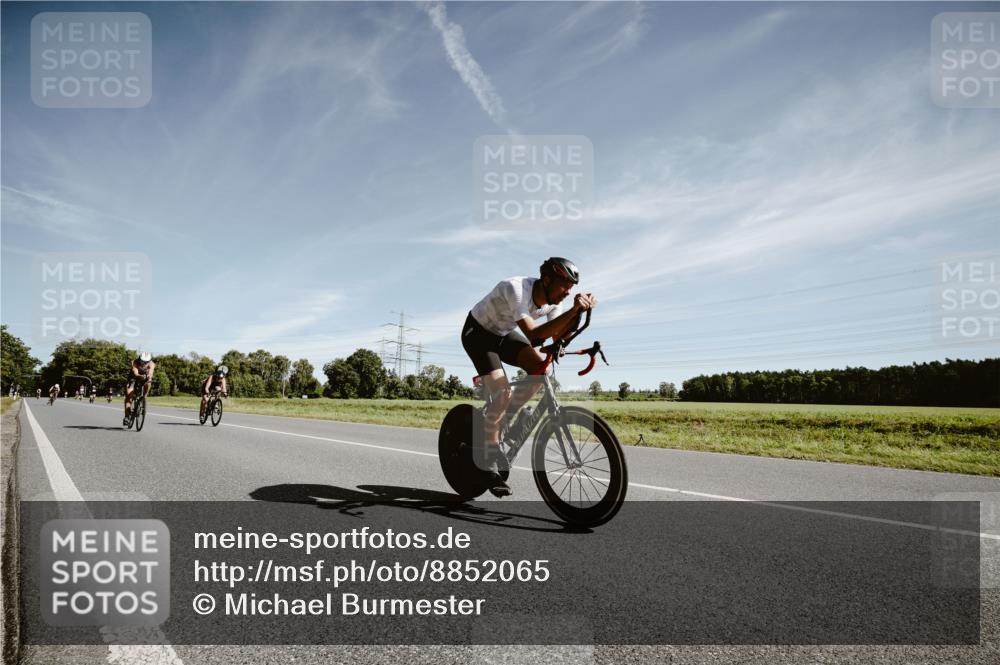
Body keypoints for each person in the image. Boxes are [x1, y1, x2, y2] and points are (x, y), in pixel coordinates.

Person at [461, 257, 596, 497]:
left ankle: (506, 420)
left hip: (503, 333)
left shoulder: (554, 303)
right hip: (478, 333)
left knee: (539, 368)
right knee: (502, 393)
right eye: (564, 285)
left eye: (572, 288)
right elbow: (534, 335)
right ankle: (490, 458)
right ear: (547, 280)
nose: (568, 292)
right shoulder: (516, 289)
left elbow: (557, 336)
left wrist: (578, 315)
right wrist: (574, 311)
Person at [123, 352, 156, 425]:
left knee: (149, 382)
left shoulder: (152, 364)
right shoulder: (134, 362)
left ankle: (144, 397)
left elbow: (151, 372)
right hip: (133, 377)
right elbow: (135, 372)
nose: (143, 363)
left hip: (144, 377)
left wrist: (149, 377)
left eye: (146, 362)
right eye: (142, 361)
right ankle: (127, 417)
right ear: (139, 359)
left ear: (149, 361)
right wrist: (139, 376)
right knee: (129, 395)